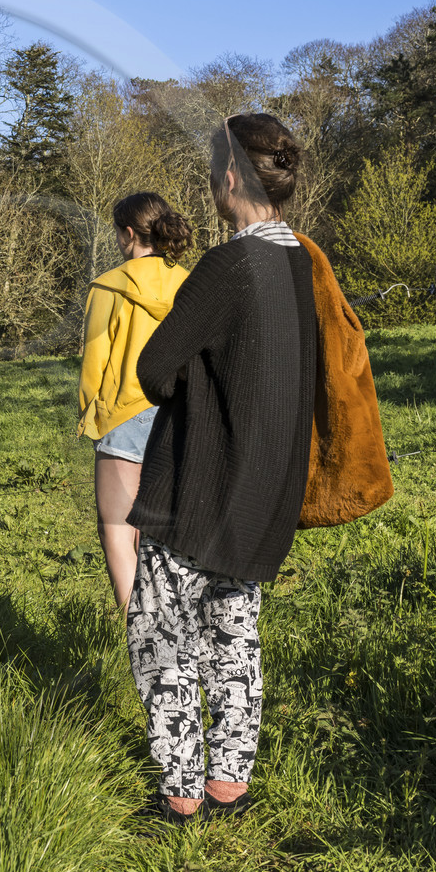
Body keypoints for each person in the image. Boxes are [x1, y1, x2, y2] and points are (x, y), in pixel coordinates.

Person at [124, 113, 317, 824]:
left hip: (196, 488)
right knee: (235, 638)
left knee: (163, 636)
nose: (208, 186)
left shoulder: (229, 264)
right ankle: (230, 784)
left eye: (212, 174)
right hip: (265, 489)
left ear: (231, 176)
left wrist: (192, 388)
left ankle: (180, 794)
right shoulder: (299, 260)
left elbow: (153, 367)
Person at [77, 193, 192, 611]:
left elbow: (95, 363)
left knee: (116, 528)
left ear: (128, 234)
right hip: (177, 415)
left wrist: (90, 419)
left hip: (123, 414)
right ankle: (168, 617)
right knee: (154, 530)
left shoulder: (109, 285)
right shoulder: (190, 282)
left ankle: (138, 631)